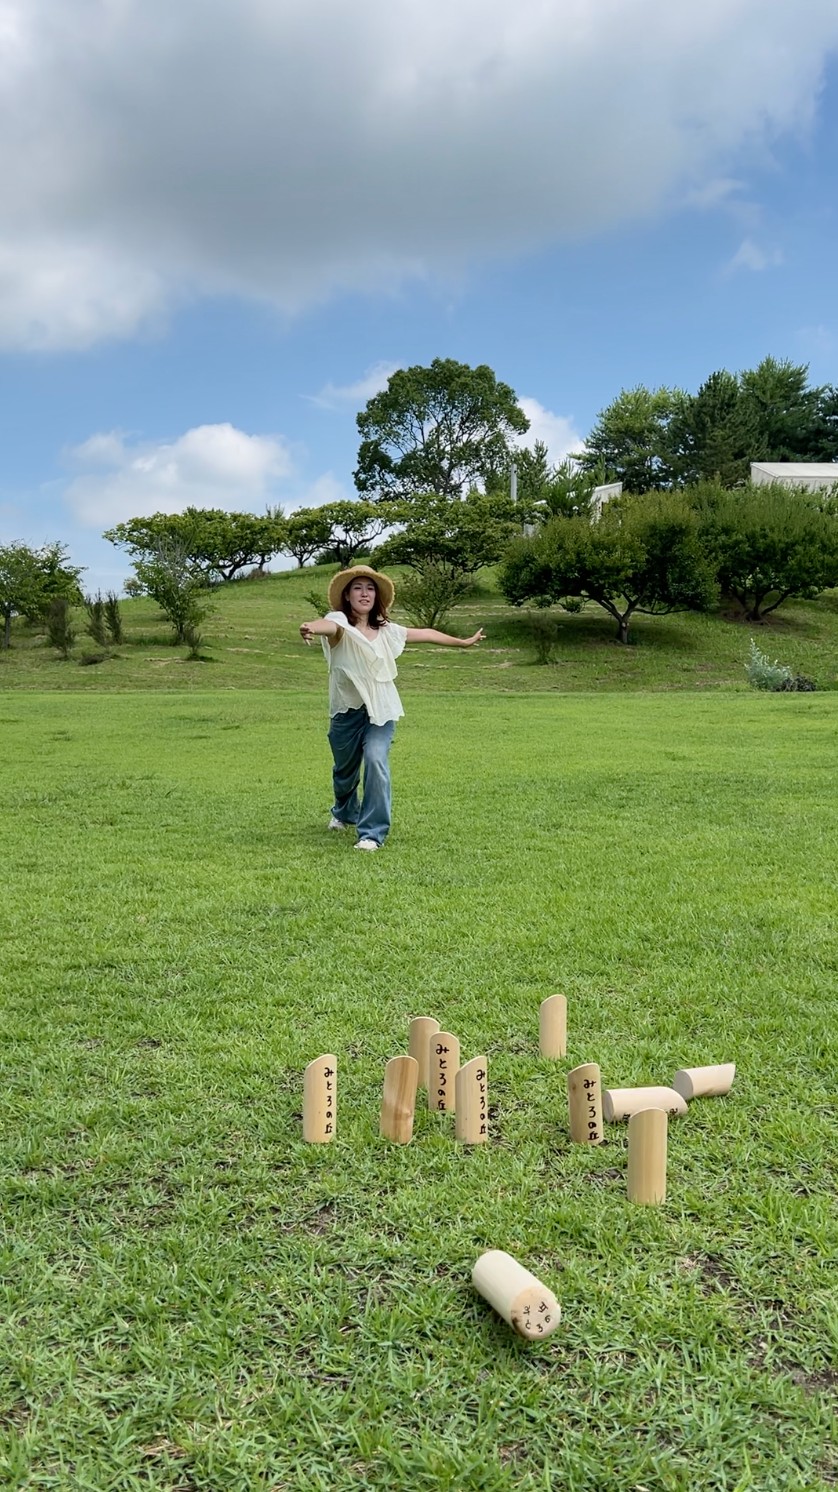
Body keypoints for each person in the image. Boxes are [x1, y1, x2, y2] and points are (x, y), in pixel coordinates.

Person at [299, 564, 485, 850]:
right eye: (358, 588)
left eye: (370, 588)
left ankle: (371, 834)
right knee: (345, 772)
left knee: (375, 759)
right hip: (346, 712)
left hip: (381, 710)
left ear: (376, 596)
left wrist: (463, 642)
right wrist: (311, 627)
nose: (365, 593)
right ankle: (344, 811)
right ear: (347, 595)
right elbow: (328, 626)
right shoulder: (339, 622)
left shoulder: (387, 630)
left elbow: (427, 633)